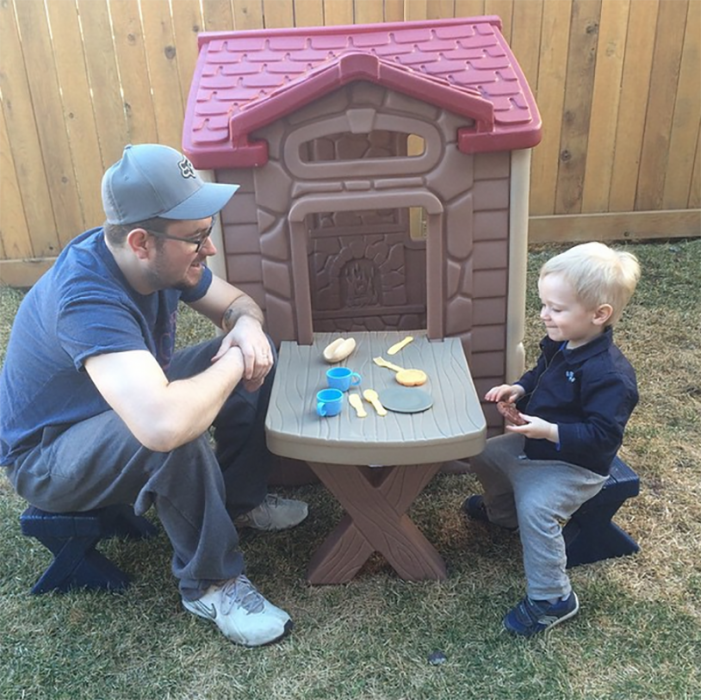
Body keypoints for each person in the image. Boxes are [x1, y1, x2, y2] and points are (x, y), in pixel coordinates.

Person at [0, 144, 309, 648]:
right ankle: (211, 583)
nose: (208, 250)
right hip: (49, 458)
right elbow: (162, 424)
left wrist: (248, 329)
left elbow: (235, 303)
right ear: (141, 242)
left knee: (257, 352)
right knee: (172, 429)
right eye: (197, 238)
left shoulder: (161, 261)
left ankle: (239, 502)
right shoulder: (85, 295)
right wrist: (235, 359)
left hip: (114, 408)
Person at [462, 242, 641, 637]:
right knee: (483, 454)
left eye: (556, 309)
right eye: (544, 304)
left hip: (575, 465)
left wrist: (549, 431)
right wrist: (519, 389)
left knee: (538, 508)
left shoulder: (610, 375)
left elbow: (601, 436)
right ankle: (504, 518)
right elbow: (540, 371)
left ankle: (553, 598)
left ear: (599, 315)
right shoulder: (562, 342)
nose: (544, 314)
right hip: (537, 446)